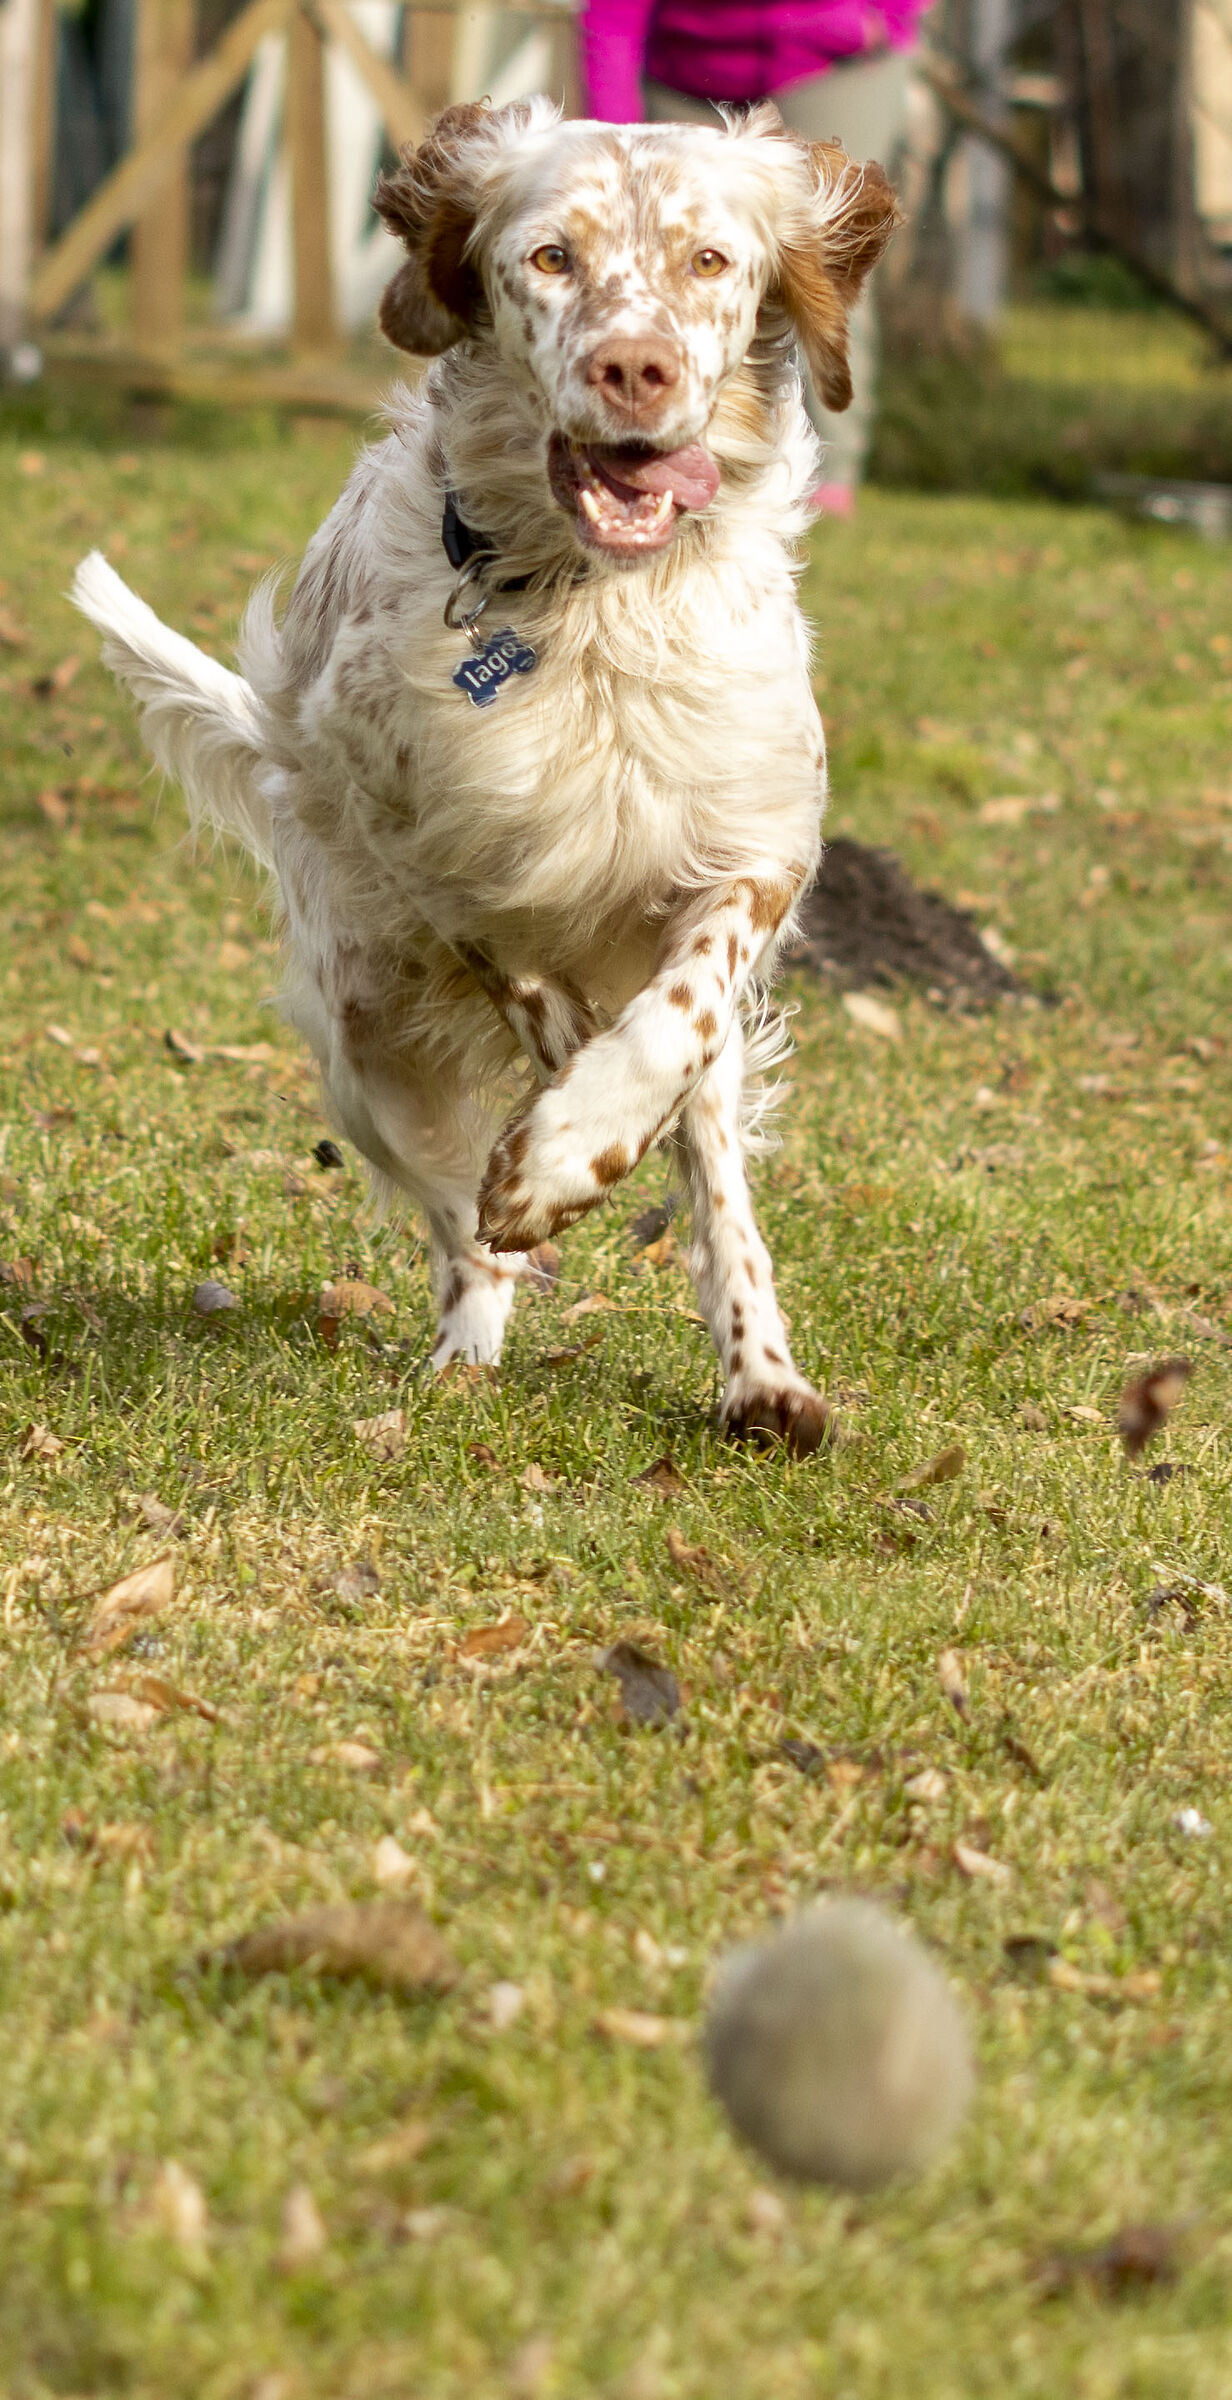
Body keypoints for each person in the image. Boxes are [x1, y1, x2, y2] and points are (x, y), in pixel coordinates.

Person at [577, 0, 928, 513]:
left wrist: (884, 18)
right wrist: (612, 144)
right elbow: (610, 17)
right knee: (661, 261)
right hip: (688, 71)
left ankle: (830, 470)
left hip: (836, 61)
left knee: (827, 257)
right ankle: (671, 449)